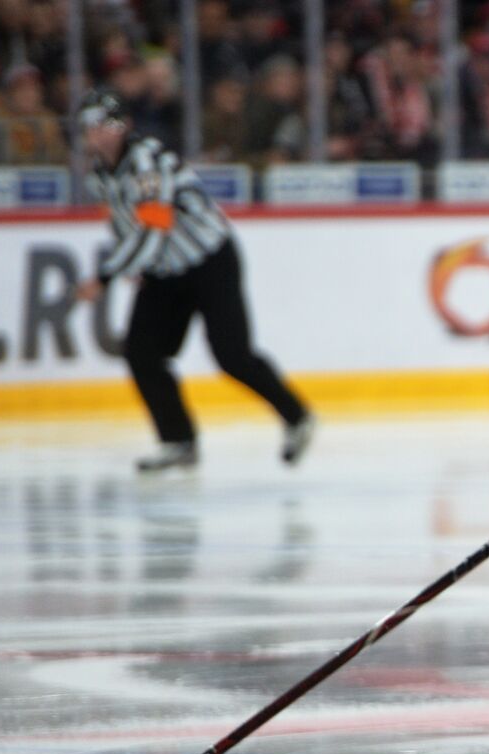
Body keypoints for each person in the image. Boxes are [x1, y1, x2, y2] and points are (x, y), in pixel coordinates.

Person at [72, 90, 315, 473]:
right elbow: (126, 226)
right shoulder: (99, 178)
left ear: (125, 126)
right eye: (90, 128)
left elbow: (154, 224)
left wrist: (106, 275)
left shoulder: (149, 161)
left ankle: (296, 415)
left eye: (107, 125)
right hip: (163, 271)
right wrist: (135, 263)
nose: (99, 134)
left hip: (209, 261)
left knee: (232, 354)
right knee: (142, 352)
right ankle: (178, 441)